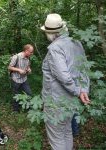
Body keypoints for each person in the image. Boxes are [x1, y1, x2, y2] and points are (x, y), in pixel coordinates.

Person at [41, 13, 90, 150]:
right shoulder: (76, 43)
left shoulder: (54, 49)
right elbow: (84, 69)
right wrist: (83, 90)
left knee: (57, 137)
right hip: (71, 101)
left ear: (50, 34)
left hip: (56, 102)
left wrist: (78, 91)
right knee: (67, 131)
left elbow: (64, 77)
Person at [8, 44, 34, 112]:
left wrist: (29, 69)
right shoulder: (16, 57)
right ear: (26, 51)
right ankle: (16, 110)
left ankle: (29, 109)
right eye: (31, 52)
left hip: (24, 79)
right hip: (16, 79)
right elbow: (9, 67)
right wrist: (19, 70)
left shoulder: (28, 57)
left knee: (29, 94)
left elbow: (28, 66)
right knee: (16, 95)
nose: (32, 53)